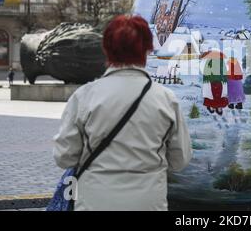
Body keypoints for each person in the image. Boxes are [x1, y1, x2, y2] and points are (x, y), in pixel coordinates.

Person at [53, 15, 192, 211]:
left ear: (106, 49)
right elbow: (180, 159)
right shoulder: (166, 99)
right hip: (148, 202)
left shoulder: (84, 97)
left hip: (95, 202)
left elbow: (64, 157)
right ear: (147, 49)